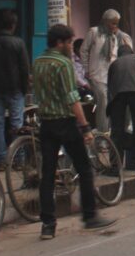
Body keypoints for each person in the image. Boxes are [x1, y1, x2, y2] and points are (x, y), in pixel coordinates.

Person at [32, 23, 114, 239]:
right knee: (84, 169)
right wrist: (85, 127)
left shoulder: (38, 62)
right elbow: (72, 98)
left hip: (46, 123)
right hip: (65, 123)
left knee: (47, 175)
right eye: (69, 42)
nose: (71, 46)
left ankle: (48, 224)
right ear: (60, 43)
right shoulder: (63, 64)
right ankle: (89, 216)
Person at [0, 9, 30, 168]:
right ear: (13, 25)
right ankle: (17, 159)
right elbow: (24, 69)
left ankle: (1, 160)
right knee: (17, 124)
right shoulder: (18, 43)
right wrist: (24, 88)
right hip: (15, 89)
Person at [80, 10, 133, 132]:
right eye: (112, 23)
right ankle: (103, 132)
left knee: (113, 102)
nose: (115, 26)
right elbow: (84, 50)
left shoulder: (116, 36)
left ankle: (114, 129)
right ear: (105, 21)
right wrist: (86, 69)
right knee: (103, 101)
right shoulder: (94, 32)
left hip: (112, 75)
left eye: (116, 23)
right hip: (96, 74)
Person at [106, 44, 135, 173]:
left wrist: (109, 109)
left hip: (117, 96)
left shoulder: (114, 64)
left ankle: (115, 167)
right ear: (132, 52)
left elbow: (109, 87)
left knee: (117, 131)